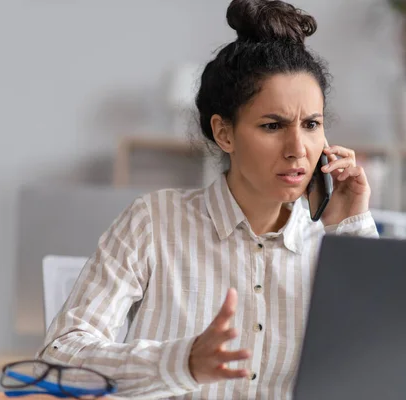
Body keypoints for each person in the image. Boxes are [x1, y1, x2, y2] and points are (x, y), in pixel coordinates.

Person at [37, 0, 379, 398]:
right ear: (225, 133)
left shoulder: (332, 240)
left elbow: (385, 370)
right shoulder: (154, 221)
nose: (298, 148)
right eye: (273, 125)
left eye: (311, 125)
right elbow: (58, 359)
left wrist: (352, 231)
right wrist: (182, 362)